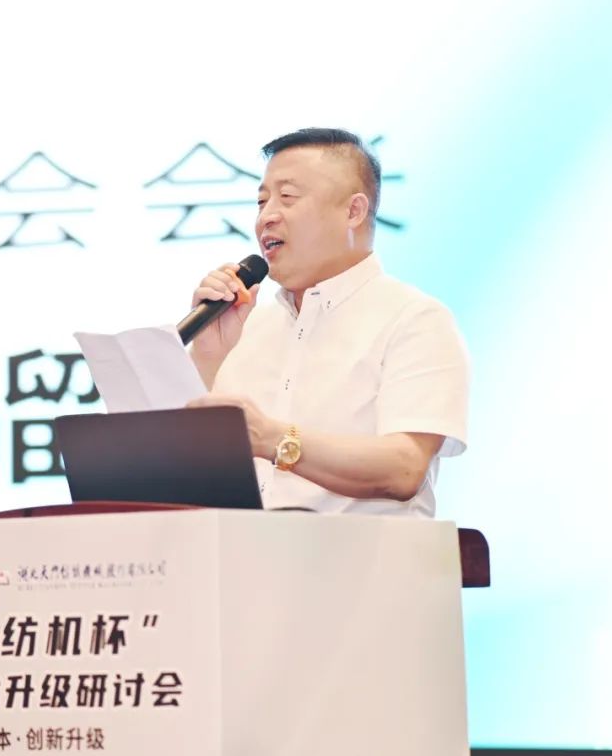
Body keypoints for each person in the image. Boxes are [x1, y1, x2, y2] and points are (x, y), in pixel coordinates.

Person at [186, 128, 469, 517]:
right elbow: (178, 470)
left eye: (288, 197)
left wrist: (275, 439)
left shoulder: (415, 319)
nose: (267, 216)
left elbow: (404, 468)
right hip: (235, 550)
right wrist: (208, 356)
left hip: (359, 555)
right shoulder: (242, 325)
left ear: (353, 211)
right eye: (261, 201)